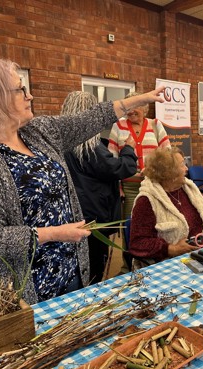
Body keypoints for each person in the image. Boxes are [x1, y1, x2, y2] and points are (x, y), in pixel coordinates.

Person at [0, 58, 165, 304]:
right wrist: (53, 234)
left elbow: (89, 120)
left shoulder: (38, 131)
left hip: (71, 269)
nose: (29, 95)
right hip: (28, 288)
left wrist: (138, 100)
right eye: (20, 89)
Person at [62, 91, 138, 284]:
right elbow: (121, 168)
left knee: (79, 264)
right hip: (94, 215)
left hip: (74, 213)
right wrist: (128, 148)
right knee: (95, 266)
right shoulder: (89, 146)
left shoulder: (62, 143)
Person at [128, 147, 203, 270]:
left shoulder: (187, 189)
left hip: (201, 257)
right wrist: (171, 249)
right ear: (169, 173)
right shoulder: (147, 201)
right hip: (170, 266)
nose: (186, 169)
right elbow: (138, 243)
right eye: (182, 165)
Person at [108, 91, 171, 218]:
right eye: (128, 108)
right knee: (131, 223)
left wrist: (154, 170)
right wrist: (118, 187)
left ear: (144, 106)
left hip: (154, 184)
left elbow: (168, 155)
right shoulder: (118, 126)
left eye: (134, 107)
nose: (130, 111)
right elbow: (112, 160)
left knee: (156, 221)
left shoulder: (155, 125)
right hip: (129, 187)